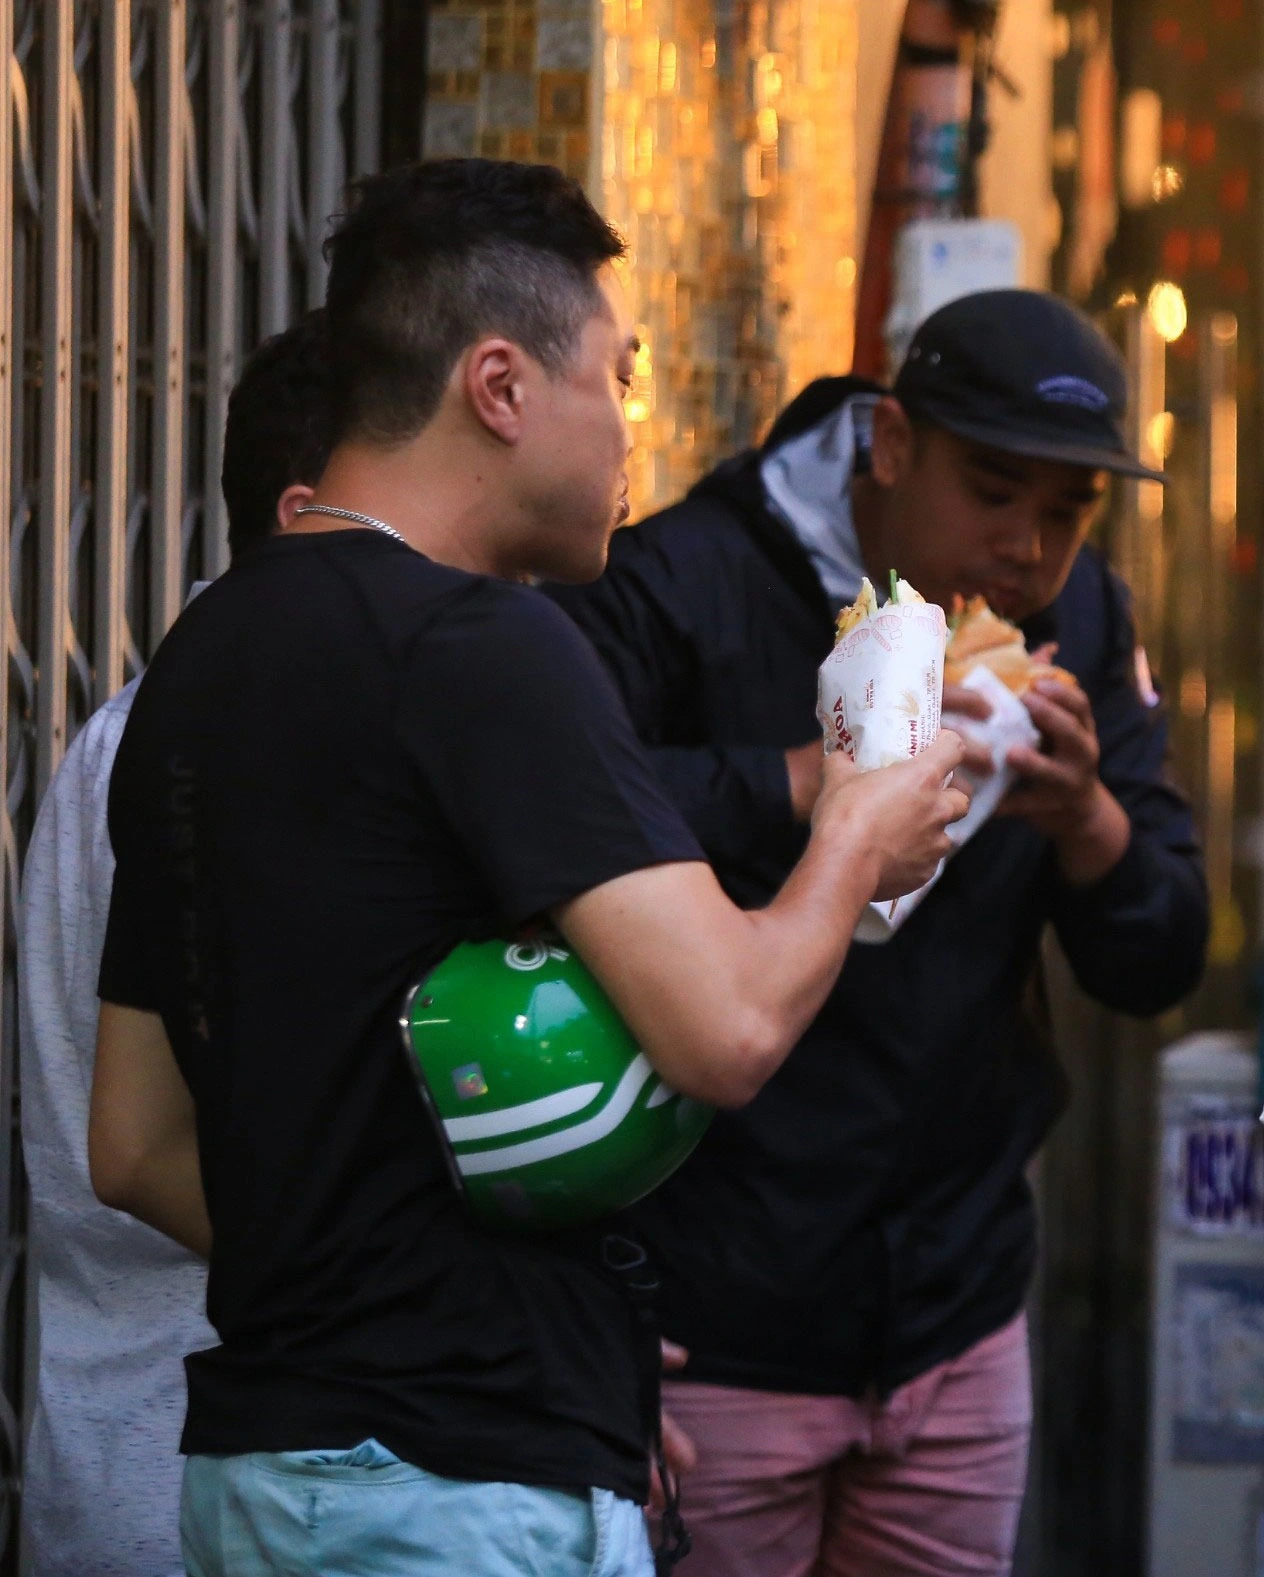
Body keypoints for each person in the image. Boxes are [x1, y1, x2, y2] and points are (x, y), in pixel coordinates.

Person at [87, 158, 968, 1577]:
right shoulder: (482, 649)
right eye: (615, 377)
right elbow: (729, 1027)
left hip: (267, 1475)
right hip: (447, 1493)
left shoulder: (203, 659)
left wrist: (524, 1326)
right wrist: (855, 831)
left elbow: (131, 1142)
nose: (636, 423)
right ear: (499, 386)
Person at [548, 287, 1208, 1576]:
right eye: (995, 489)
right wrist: (808, 780)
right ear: (891, 446)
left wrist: (1087, 821)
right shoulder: (683, 580)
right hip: (717, 1323)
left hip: (957, 1319)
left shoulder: (1087, 627)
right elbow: (549, 809)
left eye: (1069, 513)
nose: (1027, 548)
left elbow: (1160, 956)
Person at [18, 311, 333, 1576]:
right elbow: (177, 1152)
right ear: (312, 519)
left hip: (163, 1460)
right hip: (218, 1483)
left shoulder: (143, 729)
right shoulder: (235, 749)